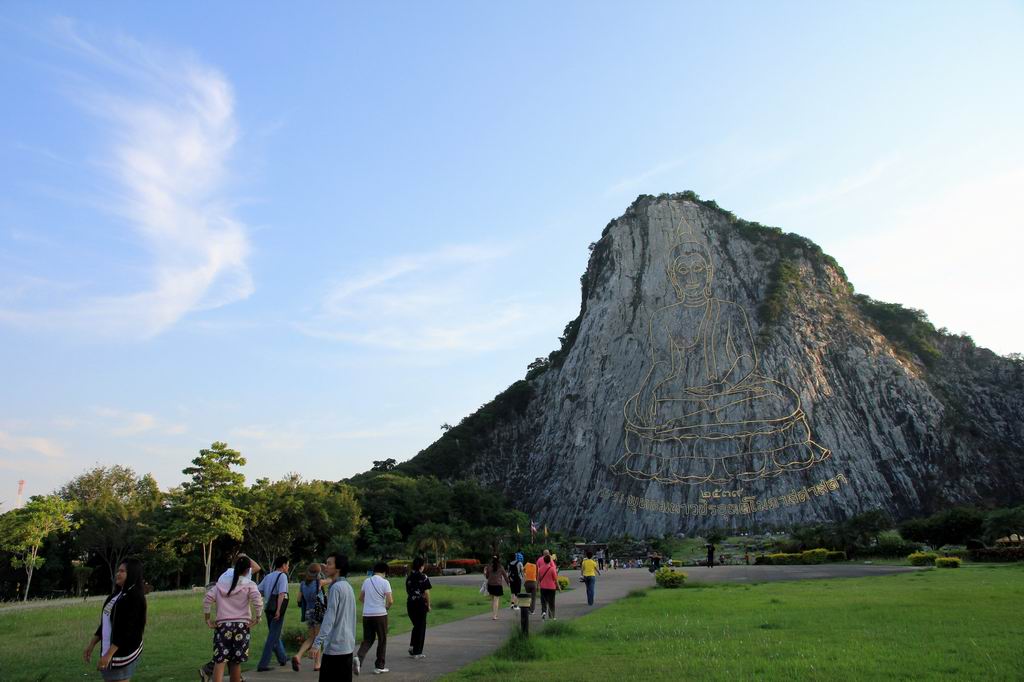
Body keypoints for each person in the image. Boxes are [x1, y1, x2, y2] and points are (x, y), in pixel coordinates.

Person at [613, 221, 830, 486]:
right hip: (685, 393)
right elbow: (663, 363)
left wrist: (724, 386)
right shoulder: (663, 316)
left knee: (776, 398)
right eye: (683, 271)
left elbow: (747, 358)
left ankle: (712, 421)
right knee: (650, 406)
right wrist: (648, 390)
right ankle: (698, 421)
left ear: (709, 272)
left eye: (697, 270)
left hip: (733, 390)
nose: (691, 278)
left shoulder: (728, 310)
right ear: (673, 276)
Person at [83, 558, 147, 682]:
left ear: (132, 574)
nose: (118, 574)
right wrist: (91, 645)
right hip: (110, 650)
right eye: (118, 570)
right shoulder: (116, 596)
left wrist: (109, 655)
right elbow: (105, 624)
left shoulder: (134, 598)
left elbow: (126, 631)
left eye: (122, 571)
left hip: (122, 653)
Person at [200, 555, 261, 682]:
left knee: (220, 660)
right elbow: (257, 600)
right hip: (242, 626)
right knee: (236, 661)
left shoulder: (221, 584)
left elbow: (207, 600)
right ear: (247, 571)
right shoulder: (249, 584)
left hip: (223, 625)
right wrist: (257, 617)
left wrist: (208, 619)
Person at [312, 553, 357, 682]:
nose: (326, 566)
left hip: (335, 648)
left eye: (329, 563)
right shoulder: (347, 587)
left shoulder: (336, 588)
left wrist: (317, 643)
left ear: (338, 568)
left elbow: (329, 618)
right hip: (347, 646)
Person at [356, 561, 393, 674]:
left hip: (367, 615)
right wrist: (386, 607)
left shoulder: (367, 581)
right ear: (384, 571)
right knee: (382, 640)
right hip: (380, 615)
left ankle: (358, 657)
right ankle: (379, 666)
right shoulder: (385, 582)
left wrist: (369, 605)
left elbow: (361, 598)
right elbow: (390, 600)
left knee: (368, 639)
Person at [256, 557, 291, 671]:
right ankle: (263, 664)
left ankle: (282, 658)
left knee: (274, 634)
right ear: (283, 565)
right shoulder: (283, 576)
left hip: (268, 608)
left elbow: (258, 590)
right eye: (287, 565)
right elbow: (282, 594)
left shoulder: (268, 576)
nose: (288, 567)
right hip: (276, 610)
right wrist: (278, 610)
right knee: (272, 637)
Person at [293, 562, 329, 672]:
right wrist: (325, 568)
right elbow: (332, 579)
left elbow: (299, 599)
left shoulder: (303, 584)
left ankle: (299, 655)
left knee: (311, 637)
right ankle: (317, 664)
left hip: (308, 612)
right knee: (317, 638)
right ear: (318, 573)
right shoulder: (319, 582)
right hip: (318, 612)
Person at [404, 557, 432, 659]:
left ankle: (412, 647)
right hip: (420, 604)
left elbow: (408, 590)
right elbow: (426, 592)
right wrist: (428, 605)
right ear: (421, 566)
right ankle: (417, 652)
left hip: (410, 603)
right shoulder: (423, 577)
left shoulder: (409, 577)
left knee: (416, 625)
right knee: (421, 627)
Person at [536, 550, 561, 620]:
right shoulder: (552, 569)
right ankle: (552, 616)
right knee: (551, 602)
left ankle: (543, 612)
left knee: (543, 601)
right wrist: (558, 587)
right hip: (551, 587)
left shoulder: (540, 569)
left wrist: (537, 586)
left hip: (543, 587)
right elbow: (555, 579)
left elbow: (538, 578)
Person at [483, 555, 508, 620]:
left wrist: (485, 572)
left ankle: (493, 615)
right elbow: (505, 576)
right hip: (498, 585)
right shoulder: (501, 567)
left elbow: (487, 577)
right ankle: (495, 615)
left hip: (490, 585)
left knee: (492, 600)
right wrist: (508, 583)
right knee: (496, 600)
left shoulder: (489, 566)